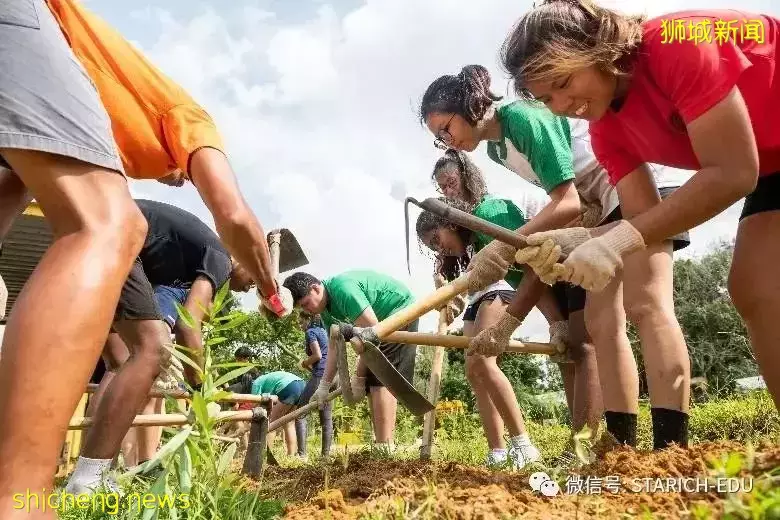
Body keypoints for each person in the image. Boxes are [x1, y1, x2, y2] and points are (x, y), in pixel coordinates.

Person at [500, 0, 780, 411]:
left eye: (561, 82)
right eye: (546, 98)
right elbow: (646, 221)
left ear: (592, 48)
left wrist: (613, 242)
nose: (560, 106)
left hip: (754, 161)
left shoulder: (678, 41)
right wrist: (576, 240)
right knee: (755, 289)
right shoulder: (606, 131)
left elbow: (733, 173)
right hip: (772, 162)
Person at [419, 65, 692, 450]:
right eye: (438, 138)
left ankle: (671, 447)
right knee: (599, 323)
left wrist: (505, 245)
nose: (446, 142)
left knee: (645, 303)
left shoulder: (521, 119)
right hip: (606, 199)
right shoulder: (499, 150)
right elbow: (573, 195)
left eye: (446, 128)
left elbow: (565, 201)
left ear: (468, 107)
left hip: (642, 181)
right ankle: (619, 443)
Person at [0, 1, 148, 516]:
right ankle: (20, 503)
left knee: (12, 188)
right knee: (104, 221)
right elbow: (236, 216)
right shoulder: (189, 126)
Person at [66, 199, 256, 493]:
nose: (252, 286)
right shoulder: (220, 259)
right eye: (254, 277)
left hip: (93, 234)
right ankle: (91, 476)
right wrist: (200, 391)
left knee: (119, 364)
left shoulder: (178, 272)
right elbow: (188, 325)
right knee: (153, 351)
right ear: (242, 257)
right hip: (115, 233)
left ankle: (89, 471)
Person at [417, 193, 606, 467]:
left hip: (537, 274)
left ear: (452, 224)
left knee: (580, 349)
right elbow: (511, 278)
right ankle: (516, 450)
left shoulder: (489, 216)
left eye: (436, 239)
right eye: (431, 246)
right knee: (481, 369)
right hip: (513, 287)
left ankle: (544, 446)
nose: (438, 248)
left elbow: (529, 262)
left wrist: (547, 321)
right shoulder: (472, 249)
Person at [283, 270, 419, 452]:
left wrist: (359, 376)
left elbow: (373, 334)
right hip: (376, 327)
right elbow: (334, 347)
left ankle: (385, 446)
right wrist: (324, 386)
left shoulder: (343, 290)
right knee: (373, 380)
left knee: (381, 376)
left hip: (398, 310)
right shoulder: (325, 312)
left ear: (315, 288)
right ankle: (381, 442)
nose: (307, 311)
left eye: (306, 304)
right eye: (303, 308)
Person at [294, 315, 334, 460]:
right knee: (326, 417)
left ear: (308, 320)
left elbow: (317, 355)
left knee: (300, 413)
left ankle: (302, 455)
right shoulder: (325, 331)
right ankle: (325, 456)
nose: (299, 325)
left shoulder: (310, 332)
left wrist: (304, 363)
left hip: (322, 375)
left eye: (301, 321)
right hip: (333, 375)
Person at [252, 371, 306, 456]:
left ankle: (265, 455)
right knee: (289, 423)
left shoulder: (256, 382)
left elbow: (255, 403)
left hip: (290, 386)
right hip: (302, 385)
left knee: (271, 423)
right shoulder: (269, 378)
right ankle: (291, 455)